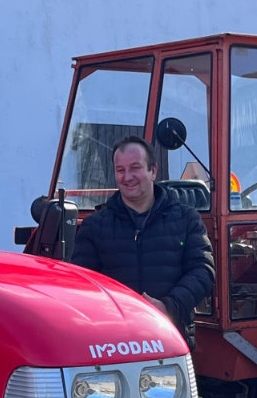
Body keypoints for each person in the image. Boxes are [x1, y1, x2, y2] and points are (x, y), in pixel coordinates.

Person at [72, 136, 215, 345]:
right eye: (120, 170)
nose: (127, 177)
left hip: (171, 336)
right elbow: (83, 284)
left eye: (135, 168)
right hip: (114, 341)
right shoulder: (95, 226)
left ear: (153, 171)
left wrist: (169, 307)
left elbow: (203, 271)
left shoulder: (186, 218)